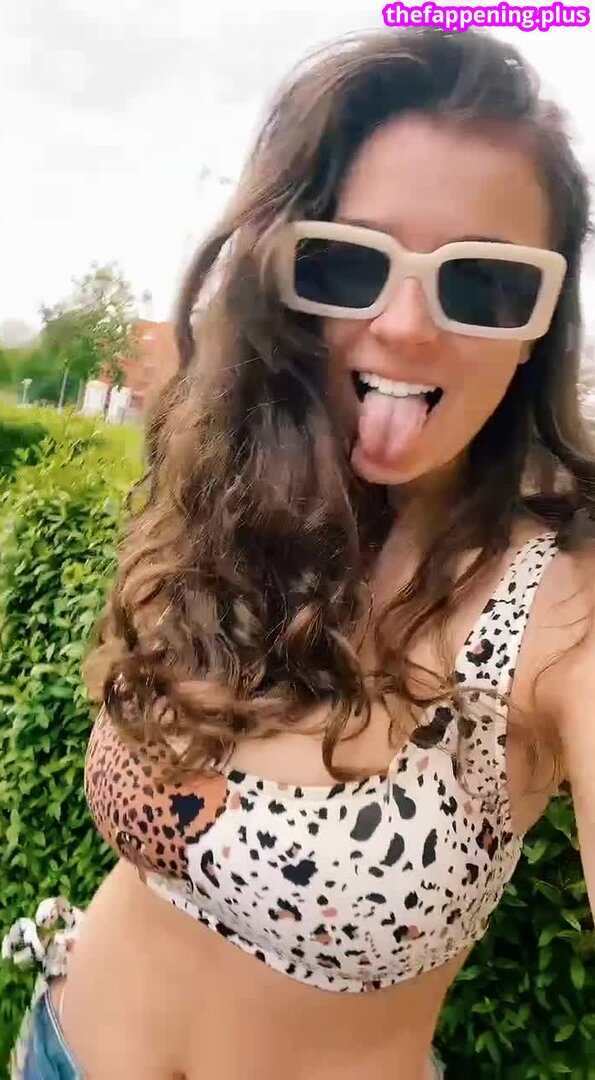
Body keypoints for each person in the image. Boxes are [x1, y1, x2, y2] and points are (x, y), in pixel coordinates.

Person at [3, 24, 595, 1080]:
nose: (405, 327)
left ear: (537, 327)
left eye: (483, 283)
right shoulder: (225, 508)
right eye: (348, 263)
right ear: (282, 285)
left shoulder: (560, 612)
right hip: (62, 1047)